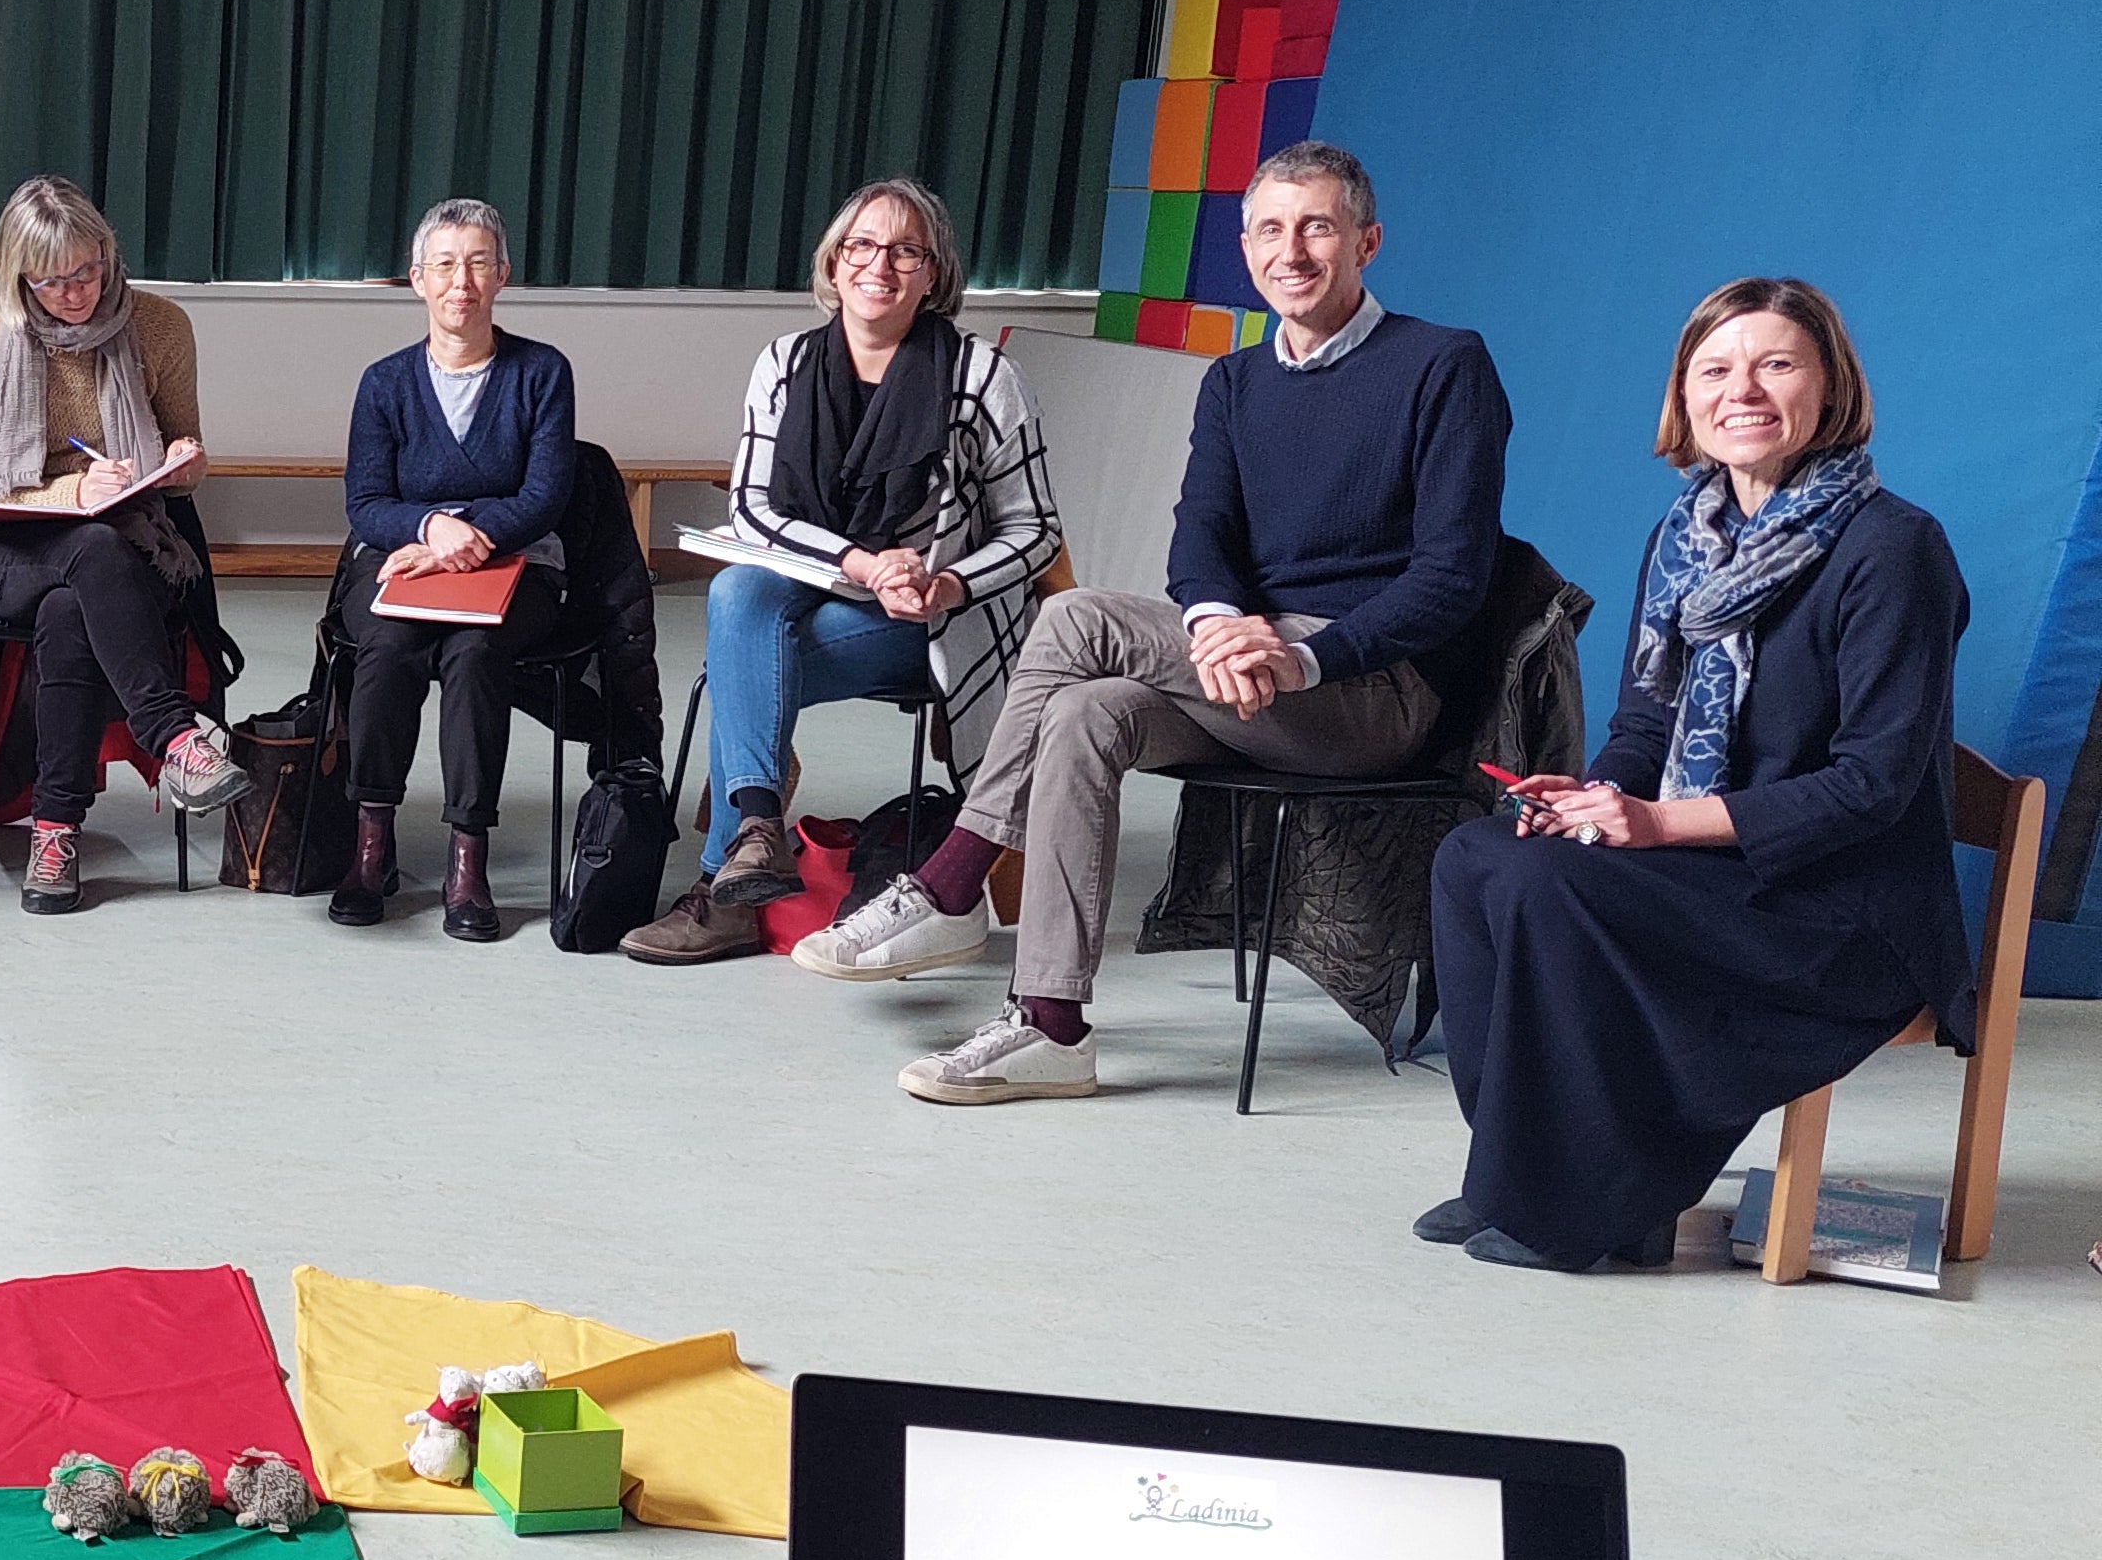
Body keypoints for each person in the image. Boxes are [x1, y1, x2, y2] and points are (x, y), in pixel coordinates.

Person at [792, 141, 1506, 1103]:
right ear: (1246, 248)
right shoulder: (1236, 383)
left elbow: (1453, 577)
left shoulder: (1443, 365)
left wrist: (1301, 656)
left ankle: (954, 878)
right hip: (1238, 676)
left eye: (1317, 226)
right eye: (1268, 229)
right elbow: (1198, 540)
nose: (1290, 249)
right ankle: (1052, 1023)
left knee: (1077, 620)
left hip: (1369, 691)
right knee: (1087, 716)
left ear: (1367, 242)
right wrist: (1218, 625)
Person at [1428, 280, 1965, 1271]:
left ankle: (1592, 1202)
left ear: (1828, 385)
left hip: (1839, 906)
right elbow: (1645, 722)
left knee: (1553, 894)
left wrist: (1656, 828)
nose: (1743, 390)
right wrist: (1596, 801)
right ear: (1685, 396)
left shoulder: (1893, 548)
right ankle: (1526, 1168)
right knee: (1477, 859)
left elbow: (1872, 784)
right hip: (1716, 873)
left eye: (1776, 364)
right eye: (1715, 369)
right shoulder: (1682, 541)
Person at [623, 179, 1060, 964]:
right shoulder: (787, 364)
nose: (879, 265)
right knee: (738, 589)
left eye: (904, 250)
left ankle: (725, 882)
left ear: (934, 273)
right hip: (816, 585)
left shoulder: (982, 379)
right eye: (861, 245)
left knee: (742, 649)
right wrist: (861, 560)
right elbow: (754, 509)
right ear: (834, 261)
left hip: (921, 618)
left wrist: (946, 582)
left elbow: (1036, 529)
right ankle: (758, 831)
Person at [323, 197, 653, 940]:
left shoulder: (542, 372)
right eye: (444, 264)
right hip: (403, 561)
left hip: (517, 565)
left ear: (502, 274)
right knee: (385, 649)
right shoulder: (384, 382)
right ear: (417, 279)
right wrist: (429, 527)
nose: (460, 281)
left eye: (477, 263)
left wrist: (466, 533)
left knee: (476, 653)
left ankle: (467, 859)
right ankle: (371, 846)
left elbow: (545, 494)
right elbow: (366, 500)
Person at [0, 176, 245, 914]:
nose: (75, 292)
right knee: (89, 550)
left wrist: (179, 465)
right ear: (19, 277)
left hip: (125, 539)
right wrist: (70, 495)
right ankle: (176, 736)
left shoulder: (160, 325)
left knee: (70, 606)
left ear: (109, 254)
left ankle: (55, 833)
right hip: (5, 547)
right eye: (52, 281)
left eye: (88, 270)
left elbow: (182, 469)